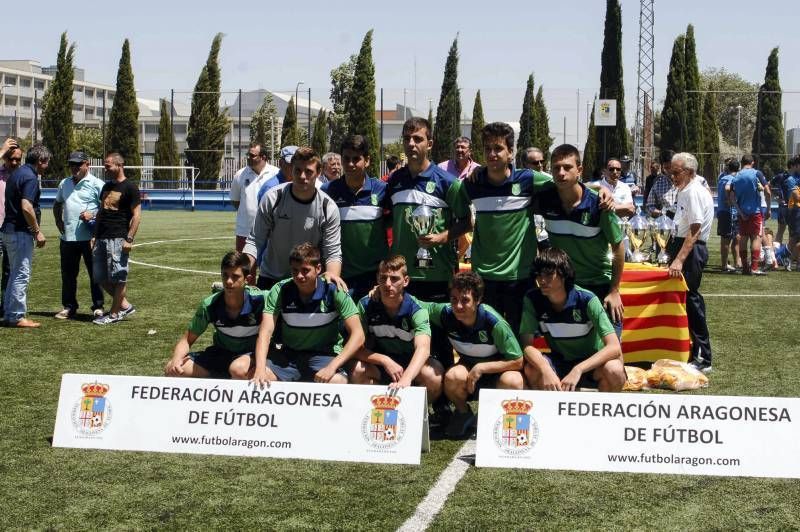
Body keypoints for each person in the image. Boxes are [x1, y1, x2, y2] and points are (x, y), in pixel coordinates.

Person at [386, 117, 472, 368]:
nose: (411, 144)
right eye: (407, 139)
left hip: (436, 273)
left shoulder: (448, 183)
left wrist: (443, 237)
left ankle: (443, 399)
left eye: (418, 139)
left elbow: (467, 222)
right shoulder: (395, 180)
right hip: (402, 275)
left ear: (430, 143)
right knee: (405, 335)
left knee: (438, 338)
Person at [460, 122, 551, 332]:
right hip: (484, 278)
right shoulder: (473, 183)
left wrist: (602, 192)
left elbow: (567, 182)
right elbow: (451, 197)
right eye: (487, 149)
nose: (492, 154)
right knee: (488, 340)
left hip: (520, 278)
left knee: (520, 341)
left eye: (498, 148)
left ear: (511, 152)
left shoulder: (528, 180)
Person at [536, 144, 625, 337]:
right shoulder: (545, 199)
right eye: (556, 167)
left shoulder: (599, 204)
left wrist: (614, 290)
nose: (561, 173)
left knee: (612, 363)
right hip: (563, 288)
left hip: (598, 287)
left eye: (567, 167)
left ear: (580, 170)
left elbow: (619, 247)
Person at [425, 271, 524, 439]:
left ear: (478, 300)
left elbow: (518, 360)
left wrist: (482, 368)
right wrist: (381, 290)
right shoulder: (445, 313)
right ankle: (463, 413)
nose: (458, 306)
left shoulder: (495, 323)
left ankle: (499, 417)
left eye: (465, 300)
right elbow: (415, 304)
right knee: (452, 377)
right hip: (468, 370)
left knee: (514, 381)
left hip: (498, 372)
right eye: (454, 299)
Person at [251, 243, 364, 385]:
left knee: (337, 381)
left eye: (305, 270)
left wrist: (332, 367)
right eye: (295, 270)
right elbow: (265, 332)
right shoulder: (280, 290)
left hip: (324, 355)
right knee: (259, 377)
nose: (299, 275)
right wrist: (260, 369)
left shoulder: (334, 290)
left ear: (318, 269)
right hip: (289, 356)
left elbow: (358, 335)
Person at [519, 248, 624, 392]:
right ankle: (551, 412)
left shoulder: (587, 299)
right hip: (559, 361)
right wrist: (545, 369)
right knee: (532, 369)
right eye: (539, 275)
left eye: (549, 275)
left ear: (563, 274)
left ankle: (599, 412)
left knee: (615, 370)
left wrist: (578, 369)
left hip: (591, 362)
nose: (542, 280)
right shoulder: (532, 299)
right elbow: (527, 345)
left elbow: (614, 347)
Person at [244, 147, 343, 290]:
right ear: (292, 170)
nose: (302, 176)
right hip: (272, 278)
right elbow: (255, 240)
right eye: (297, 170)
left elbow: (332, 252)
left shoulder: (328, 208)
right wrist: (241, 271)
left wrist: (332, 278)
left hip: (308, 281)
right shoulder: (273, 198)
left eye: (308, 171)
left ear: (319, 173)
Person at [351, 256, 443, 403]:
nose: (388, 284)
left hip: (410, 363)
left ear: (405, 281)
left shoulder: (416, 309)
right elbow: (355, 348)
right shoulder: (365, 305)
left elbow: (423, 349)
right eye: (383, 278)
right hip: (381, 364)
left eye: (394, 279)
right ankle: (368, 410)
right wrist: (384, 360)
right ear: (377, 278)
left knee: (433, 375)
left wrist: (406, 378)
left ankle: (418, 414)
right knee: (357, 369)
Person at [165, 251, 264, 379]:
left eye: (235, 276)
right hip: (222, 354)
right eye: (225, 275)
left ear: (247, 279)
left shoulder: (261, 300)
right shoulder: (210, 304)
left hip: (251, 355)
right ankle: (221, 378)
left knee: (238, 369)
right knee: (172, 370)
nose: (228, 281)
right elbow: (186, 340)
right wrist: (176, 360)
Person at [322, 135, 388, 301]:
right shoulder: (328, 190)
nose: (350, 164)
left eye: (356, 159)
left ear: (367, 161)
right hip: (341, 275)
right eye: (346, 158)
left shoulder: (382, 190)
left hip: (374, 278)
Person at [666, 152, 714, 373]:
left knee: (692, 301)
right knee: (686, 301)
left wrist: (679, 259)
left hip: (691, 251)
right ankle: (690, 350)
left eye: (676, 172)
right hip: (685, 247)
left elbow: (695, 229)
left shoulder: (692, 192)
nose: (672, 176)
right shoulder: (687, 191)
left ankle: (703, 357)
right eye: (671, 172)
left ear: (690, 172)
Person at [53, 151, 106, 319]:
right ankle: (69, 306)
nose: (74, 168)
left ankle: (98, 306)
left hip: (90, 238)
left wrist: (93, 215)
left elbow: (107, 209)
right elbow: (57, 204)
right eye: (71, 165)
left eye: (78, 164)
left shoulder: (97, 184)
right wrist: (58, 221)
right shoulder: (64, 183)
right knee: (68, 274)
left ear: (87, 164)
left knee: (95, 273)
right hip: (68, 238)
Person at [1, 144, 49, 327]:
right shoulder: (30, 177)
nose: (47, 166)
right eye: (46, 163)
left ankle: (9, 312)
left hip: (8, 230)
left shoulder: (17, 174)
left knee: (14, 273)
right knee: (21, 273)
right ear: (40, 161)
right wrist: (37, 231)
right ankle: (16, 316)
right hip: (19, 232)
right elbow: (26, 206)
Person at [92, 152, 141, 325]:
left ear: (119, 165)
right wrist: (94, 236)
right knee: (99, 277)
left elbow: (136, 216)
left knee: (119, 277)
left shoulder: (130, 188)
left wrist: (129, 238)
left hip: (118, 238)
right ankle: (125, 306)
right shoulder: (106, 187)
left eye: (108, 166)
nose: (105, 169)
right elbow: (100, 212)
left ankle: (114, 314)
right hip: (101, 238)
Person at [229, 142, 279, 252]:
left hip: (270, 232)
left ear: (263, 157)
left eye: (252, 155)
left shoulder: (276, 173)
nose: (248, 157)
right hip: (244, 231)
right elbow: (235, 201)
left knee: (267, 267)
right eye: (248, 154)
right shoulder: (240, 174)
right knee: (244, 267)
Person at [728, 155, 771, 275]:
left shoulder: (736, 176)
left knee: (744, 237)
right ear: (752, 162)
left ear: (742, 163)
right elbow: (767, 191)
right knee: (756, 237)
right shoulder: (757, 173)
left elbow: (731, 197)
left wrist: (740, 211)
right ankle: (754, 267)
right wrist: (768, 208)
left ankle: (745, 268)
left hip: (742, 213)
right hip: (755, 211)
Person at [0, 138, 23, 316]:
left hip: (12, 229)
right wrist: (3, 150)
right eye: (10, 158)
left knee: (10, 270)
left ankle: (5, 304)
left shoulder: (22, 175)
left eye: (17, 159)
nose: (14, 162)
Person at [716, 159, 741, 272]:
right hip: (728, 213)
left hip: (723, 211)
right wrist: (729, 200)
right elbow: (727, 188)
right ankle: (724, 265)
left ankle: (737, 263)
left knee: (735, 238)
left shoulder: (722, 178)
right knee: (726, 239)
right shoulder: (732, 179)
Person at [645, 150, 676, 218]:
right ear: (662, 168)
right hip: (666, 224)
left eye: (671, 167)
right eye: (666, 168)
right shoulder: (658, 184)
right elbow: (649, 206)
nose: (670, 171)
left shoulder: (685, 181)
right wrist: (662, 213)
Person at [784, 156, 800, 269]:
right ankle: (786, 258)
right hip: (796, 211)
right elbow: (796, 196)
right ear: (796, 166)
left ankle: (794, 261)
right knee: (794, 238)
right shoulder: (791, 180)